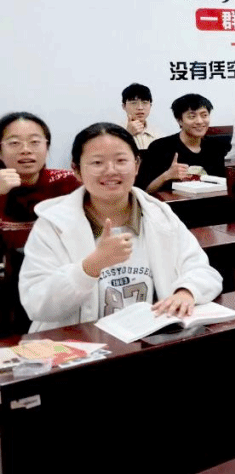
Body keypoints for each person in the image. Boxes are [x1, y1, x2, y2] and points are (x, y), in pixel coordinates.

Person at [19, 123, 223, 332]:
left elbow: (202, 270)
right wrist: (90, 267)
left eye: (121, 161)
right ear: (77, 170)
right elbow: (36, 303)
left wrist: (186, 292)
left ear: (136, 165)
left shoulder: (159, 215)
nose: (111, 171)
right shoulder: (53, 224)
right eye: (97, 162)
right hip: (75, 344)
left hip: (146, 340)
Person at [136, 94, 227, 193]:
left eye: (204, 115)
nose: (200, 121)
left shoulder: (216, 147)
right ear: (179, 120)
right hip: (172, 203)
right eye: (192, 116)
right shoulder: (160, 147)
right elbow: (143, 191)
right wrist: (167, 176)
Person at [0, 112, 81, 222]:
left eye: (35, 142)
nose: (26, 150)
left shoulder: (70, 181)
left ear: (46, 147)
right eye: (14, 143)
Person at [120, 83, 162, 150]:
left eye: (145, 102)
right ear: (124, 106)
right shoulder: (113, 132)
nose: (140, 107)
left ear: (150, 106)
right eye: (134, 103)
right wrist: (127, 134)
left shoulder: (159, 134)